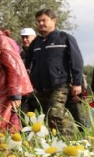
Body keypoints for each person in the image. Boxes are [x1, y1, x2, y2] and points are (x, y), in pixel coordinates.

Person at [25, 8, 84, 136]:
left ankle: (69, 140)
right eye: (38, 21)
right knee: (48, 117)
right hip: (41, 86)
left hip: (60, 83)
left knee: (54, 114)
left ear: (54, 20)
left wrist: (77, 83)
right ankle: (56, 141)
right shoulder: (36, 43)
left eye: (44, 20)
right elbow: (27, 64)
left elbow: (77, 61)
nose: (41, 24)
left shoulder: (65, 38)